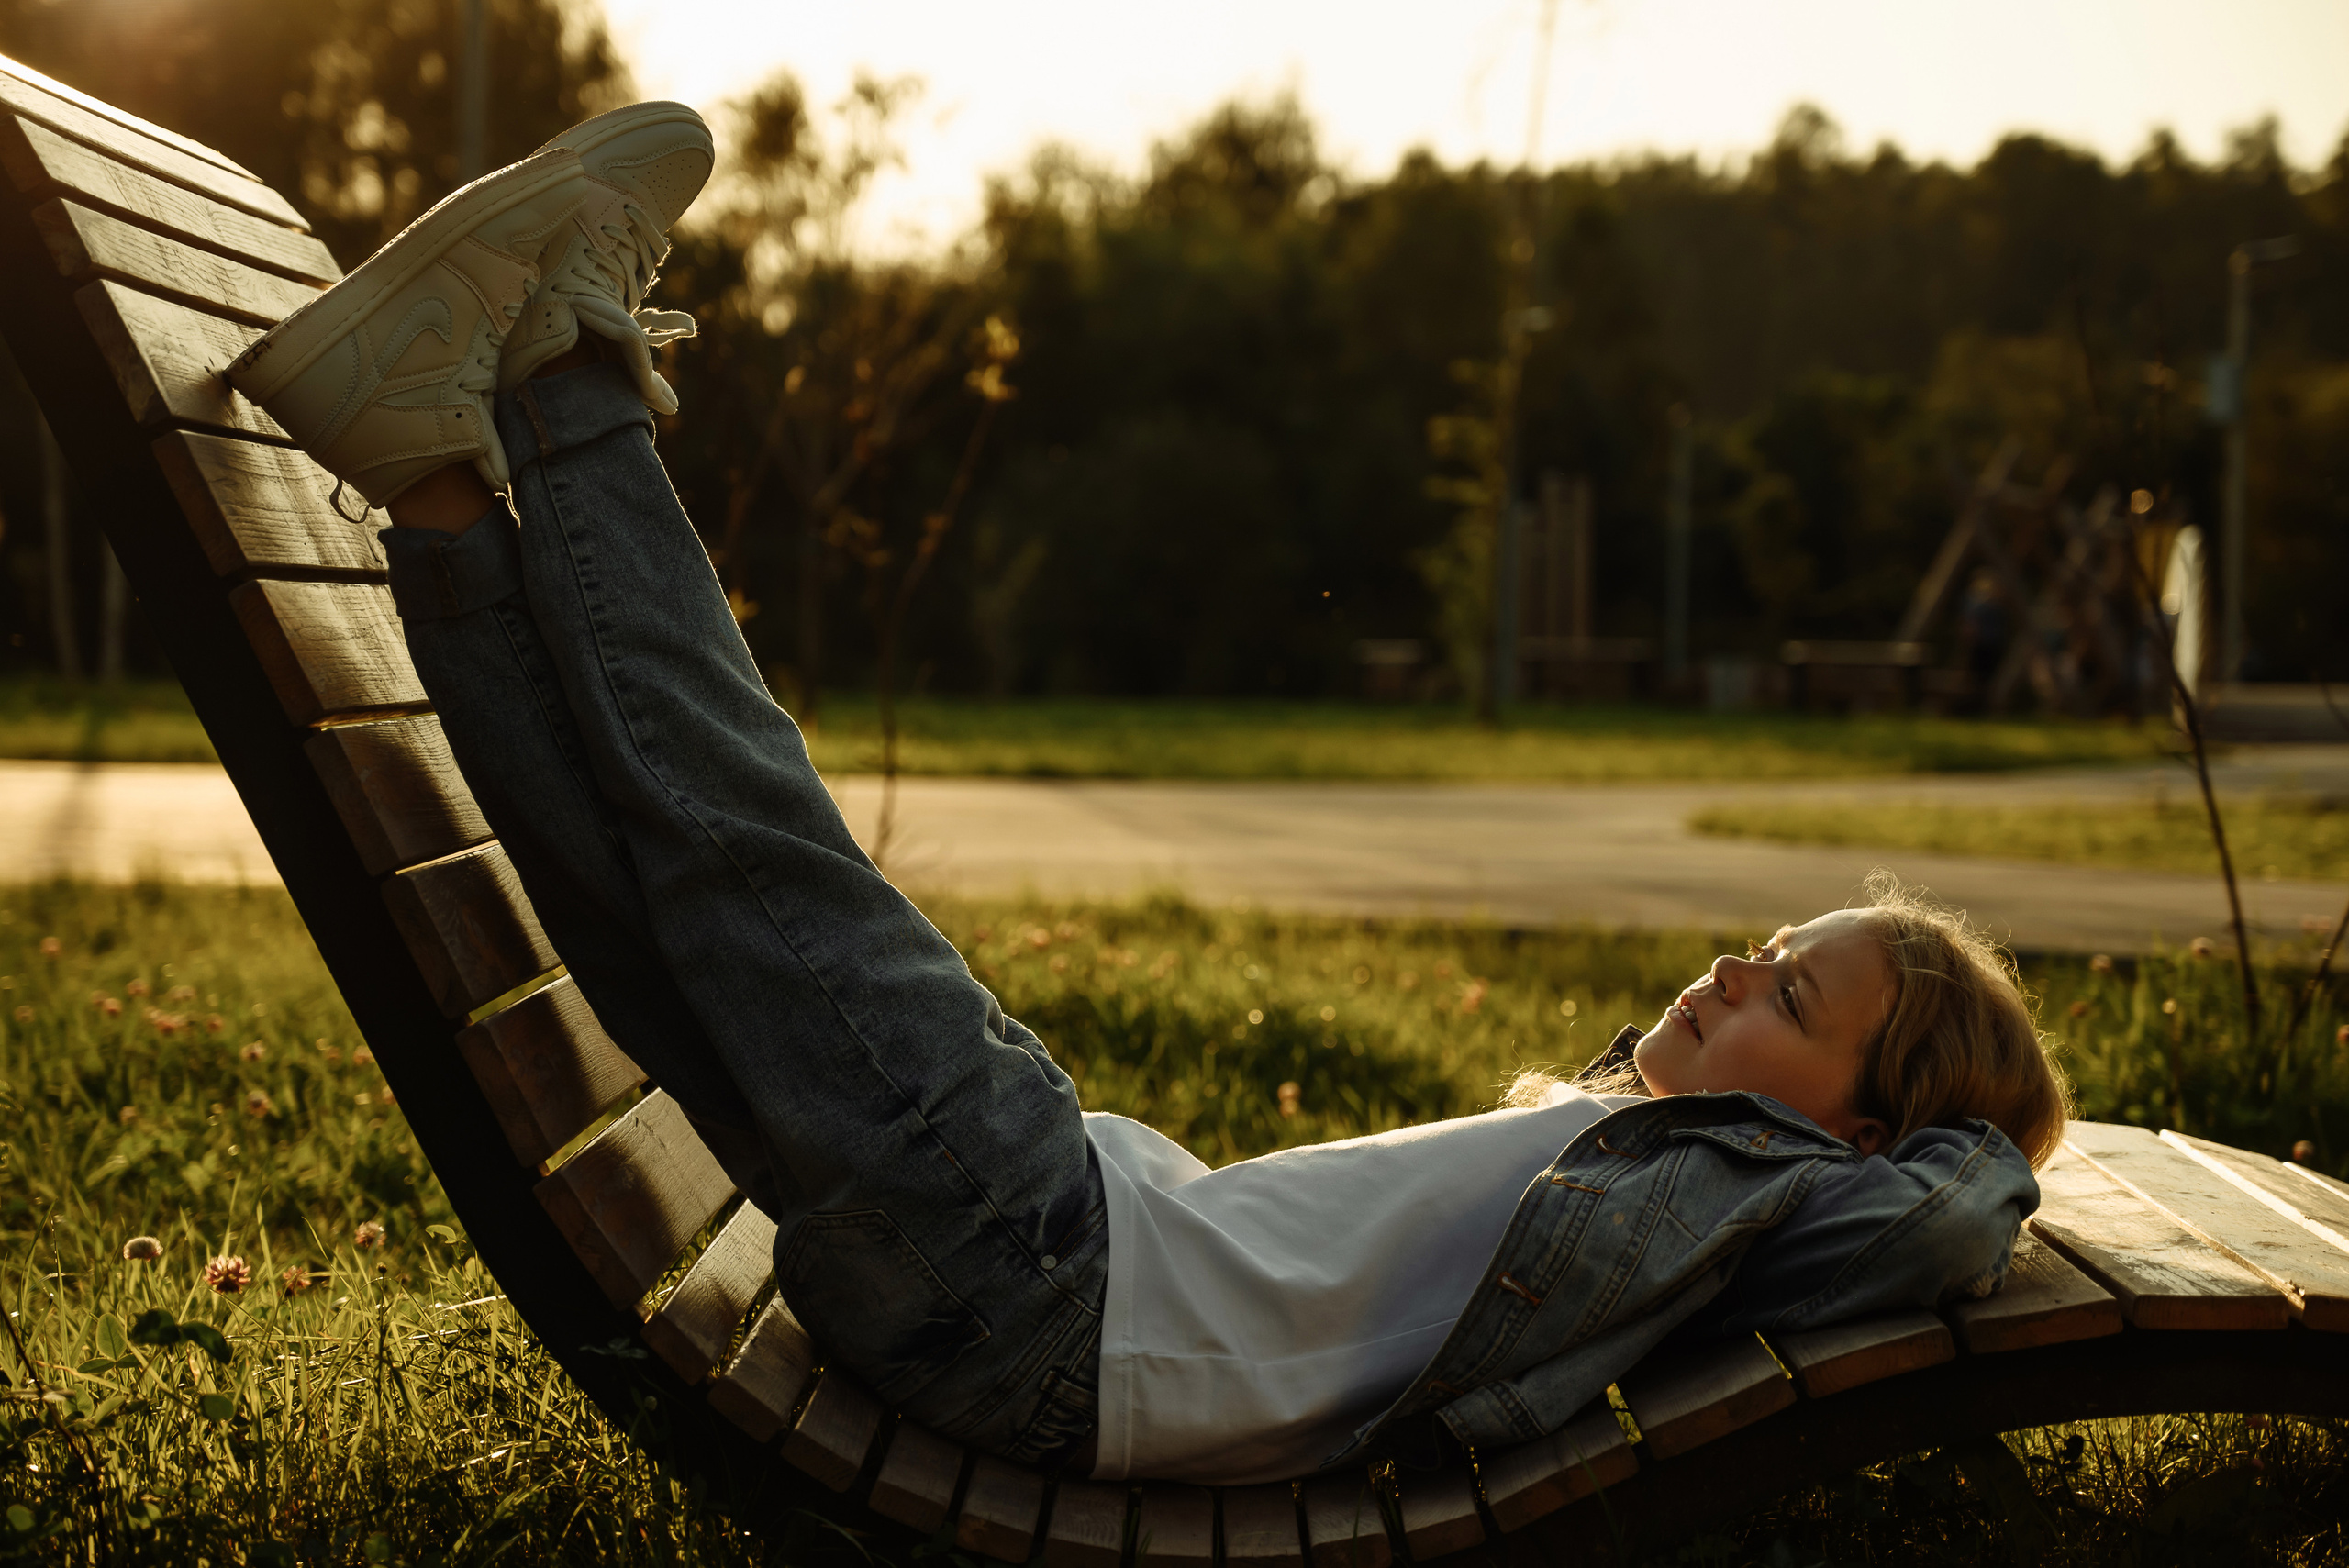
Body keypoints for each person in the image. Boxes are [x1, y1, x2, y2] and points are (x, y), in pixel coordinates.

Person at [228, 103, 2070, 1489]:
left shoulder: (1784, 1197)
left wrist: (1983, 1134)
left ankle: (559, 374)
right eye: (1760, 950)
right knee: (654, 905)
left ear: (1852, 1128)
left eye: (1790, 999)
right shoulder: (1655, 1141)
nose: (1730, 977)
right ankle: (441, 499)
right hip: (1029, 1258)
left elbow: (1948, 1210)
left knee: (750, 833)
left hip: (1038, 1272)